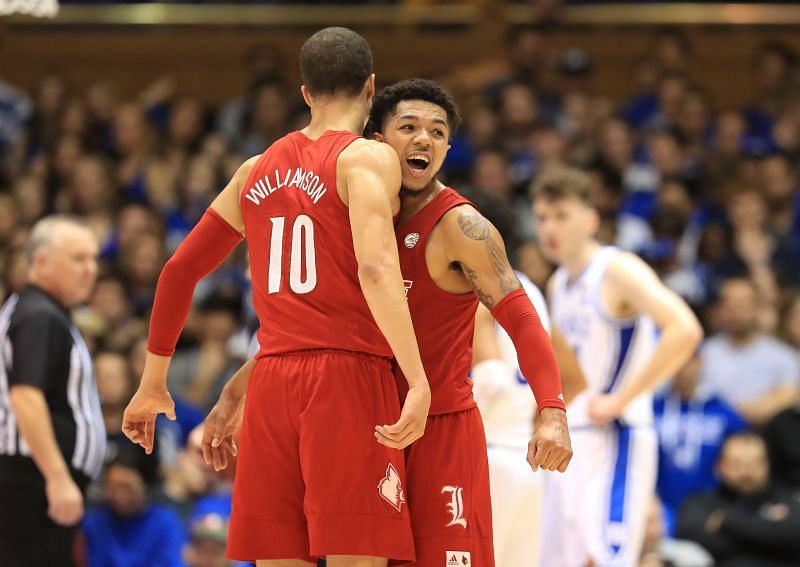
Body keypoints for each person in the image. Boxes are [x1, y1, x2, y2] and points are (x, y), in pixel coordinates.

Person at [203, 78, 572, 567]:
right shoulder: (349, 215)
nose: (424, 139)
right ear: (377, 142)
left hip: (439, 432)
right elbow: (316, 331)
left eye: (438, 133)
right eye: (410, 127)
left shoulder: (463, 228)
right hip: (364, 429)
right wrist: (239, 387)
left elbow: (522, 320)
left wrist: (552, 410)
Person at [122, 28, 431, 566]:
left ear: (305, 93)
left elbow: (177, 272)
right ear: (371, 88)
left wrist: (153, 384)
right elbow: (376, 266)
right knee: (355, 554)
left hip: (272, 384)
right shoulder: (366, 159)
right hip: (347, 377)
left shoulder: (253, 169)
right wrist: (418, 378)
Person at [532, 167, 703, 567]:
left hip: (616, 435)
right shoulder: (558, 282)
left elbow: (684, 330)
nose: (549, 228)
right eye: (541, 217)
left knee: (604, 558)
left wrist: (622, 398)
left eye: (561, 216)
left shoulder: (617, 269)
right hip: (572, 437)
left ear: (590, 220)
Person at [469, 190, 586, 567]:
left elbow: (491, 377)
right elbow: (574, 378)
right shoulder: (527, 289)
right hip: (526, 463)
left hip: (484, 455)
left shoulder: (472, 288)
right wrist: (540, 419)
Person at [0, 215, 105, 567]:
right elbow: (25, 396)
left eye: (93, 259)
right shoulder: (40, 315)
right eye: (79, 259)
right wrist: (58, 478)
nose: (90, 269)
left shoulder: (35, 310)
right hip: (31, 480)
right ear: (42, 260)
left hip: (30, 477)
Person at [654, 353, 748, 536]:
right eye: (675, 363)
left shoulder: (721, 410)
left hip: (709, 506)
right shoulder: (652, 408)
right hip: (661, 504)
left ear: (699, 363)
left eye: (688, 363)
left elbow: (744, 448)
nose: (682, 371)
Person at [676, 433, 800, 567]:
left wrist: (724, 521)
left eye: (755, 463)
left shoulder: (787, 499)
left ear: (768, 465)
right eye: (736, 463)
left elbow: (794, 535)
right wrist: (770, 534)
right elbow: (694, 539)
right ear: (719, 466)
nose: (746, 472)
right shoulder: (699, 503)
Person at [699, 278, 800, 426]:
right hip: (712, 434)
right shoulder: (703, 353)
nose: (738, 310)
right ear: (720, 310)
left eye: (744, 303)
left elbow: (788, 397)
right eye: (731, 304)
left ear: (757, 308)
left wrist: (733, 412)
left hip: (765, 435)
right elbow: (695, 399)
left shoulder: (782, 355)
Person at [82, 442, 186, 567]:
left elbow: (171, 562)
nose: (119, 495)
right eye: (112, 487)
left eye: (127, 488)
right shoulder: (94, 524)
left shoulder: (165, 524)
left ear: (145, 485)